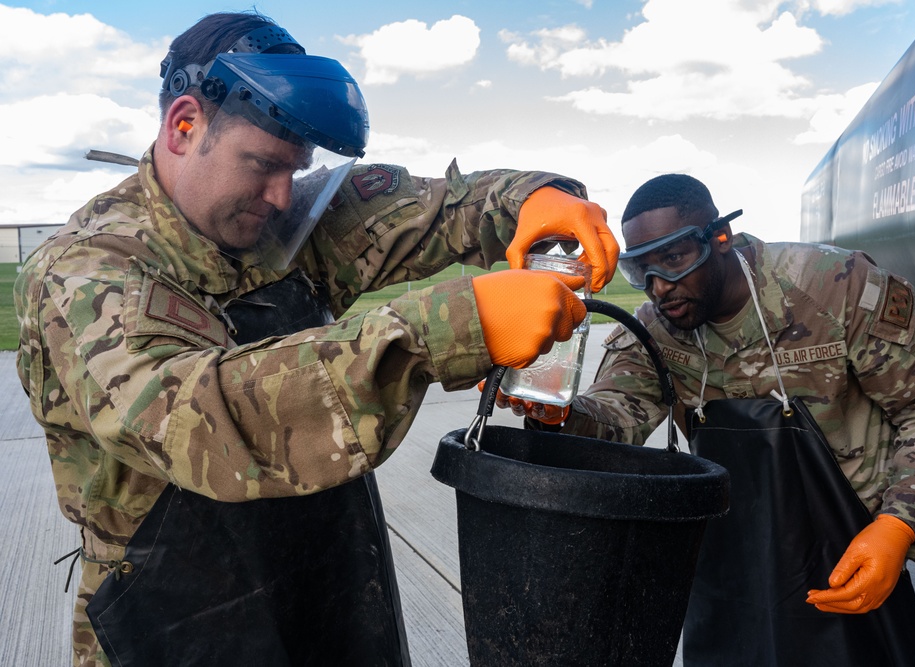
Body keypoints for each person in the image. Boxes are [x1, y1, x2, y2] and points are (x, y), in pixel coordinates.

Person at [13, 11, 619, 667]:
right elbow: (194, 420)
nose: (281, 196)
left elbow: (436, 207)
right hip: (171, 619)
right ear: (185, 126)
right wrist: (449, 328)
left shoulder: (278, 221)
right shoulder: (88, 272)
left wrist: (533, 200)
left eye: (295, 167)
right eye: (262, 164)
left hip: (319, 583)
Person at [500, 173, 915, 665]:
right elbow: (615, 421)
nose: (660, 286)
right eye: (641, 269)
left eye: (674, 258)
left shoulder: (835, 288)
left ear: (720, 237)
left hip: (849, 551)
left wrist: (898, 526)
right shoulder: (654, 329)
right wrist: (555, 414)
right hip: (728, 568)